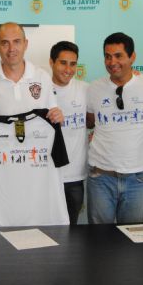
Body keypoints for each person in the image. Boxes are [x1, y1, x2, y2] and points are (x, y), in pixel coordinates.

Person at [86, 32, 143, 224]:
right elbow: (89, 121)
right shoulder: (94, 87)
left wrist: (136, 151)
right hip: (101, 176)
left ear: (132, 57)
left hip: (136, 178)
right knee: (99, 237)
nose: (112, 62)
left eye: (118, 55)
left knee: (132, 236)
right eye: (107, 56)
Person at [0, 22, 62, 123]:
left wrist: (57, 117)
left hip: (38, 134)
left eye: (17, 42)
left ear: (25, 44)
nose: (11, 49)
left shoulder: (43, 76)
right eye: (5, 43)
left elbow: (54, 115)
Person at [49, 41, 89, 224]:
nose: (68, 69)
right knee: (44, 229)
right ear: (52, 62)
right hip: (47, 175)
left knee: (72, 230)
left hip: (75, 177)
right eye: (63, 63)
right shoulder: (39, 91)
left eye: (73, 64)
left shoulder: (86, 89)